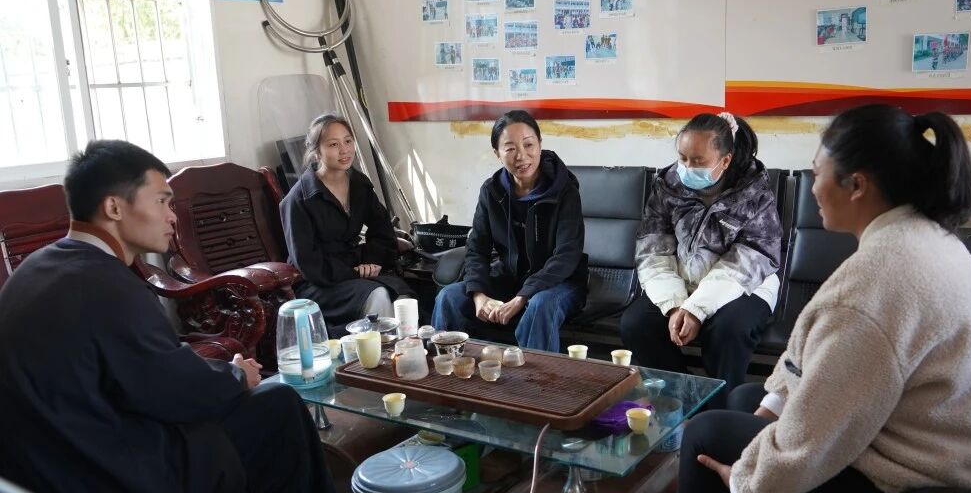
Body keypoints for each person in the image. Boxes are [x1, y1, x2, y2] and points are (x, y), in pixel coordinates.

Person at [627, 105, 971, 493]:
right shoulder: (919, 239)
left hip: (933, 483)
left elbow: (817, 432)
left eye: (816, 171)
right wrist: (768, 408)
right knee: (745, 398)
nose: (811, 187)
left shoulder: (877, 280)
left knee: (704, 434)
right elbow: (810, 362)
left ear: (857, 184)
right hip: (953, 454)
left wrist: (747, 477)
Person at [0, 140, 340, 493]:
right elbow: (176, 393)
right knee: (277, 405)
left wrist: (217, 376)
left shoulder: (38, 268)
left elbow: (144, 372)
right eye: (162, 201)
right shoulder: (107, 286)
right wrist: (236, 377)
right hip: (105, 482)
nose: (172, 216)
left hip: (46, 478)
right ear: (114, 207)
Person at [620, 112, 782, 407]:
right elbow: (653, 250)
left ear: (725, 160)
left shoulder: (754, 193)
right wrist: (674, 306)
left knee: (728, 330)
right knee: (636, 323)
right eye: (682, 158)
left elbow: (751, 258)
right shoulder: (667, 187)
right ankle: (681, 401)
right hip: (683, 280)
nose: (687, 168)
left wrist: (696, 309)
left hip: (746, 285)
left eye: (698, 161)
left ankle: (720, 410)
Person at [432, 109, 587, 352]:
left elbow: (567, 255)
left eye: (528, 145)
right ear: (497, 153)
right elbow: (477, 249)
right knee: (449, 298)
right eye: (510, 148)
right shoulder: (492, 191)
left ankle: (537, 376)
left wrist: (523, 296)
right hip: (509, 279)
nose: (521, 156)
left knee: (540, 306)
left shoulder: (565, 191)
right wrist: (478, 294)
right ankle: (449, 369)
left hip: (559, 282)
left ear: (540, 144)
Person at [281, 113, 412, 336]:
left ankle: (405, 353)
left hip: (354, 271)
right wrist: (353, 271)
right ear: (316, 151)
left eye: (348, 141)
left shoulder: (359, 184)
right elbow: (308, 263)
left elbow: (383, 229)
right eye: (333, 144)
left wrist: (372, 261)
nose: (344, 150)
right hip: (319, 283)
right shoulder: (298, 200)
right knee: (378, 295)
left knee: (403, 297)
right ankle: (379, 355)